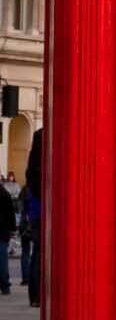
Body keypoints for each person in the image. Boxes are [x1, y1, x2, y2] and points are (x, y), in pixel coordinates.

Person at [23, 127, 42, 308]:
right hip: (45, 202)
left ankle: (35, 295)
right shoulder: (45, 135)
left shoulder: (38, 135)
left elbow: (29, 174)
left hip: (37, 204)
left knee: (37, 251)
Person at [0, 178, 16, 295]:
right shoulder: (5, 194)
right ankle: (5, 285)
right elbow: (11, 213)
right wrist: (12, 229)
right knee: (2, 259)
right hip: (3, 231)